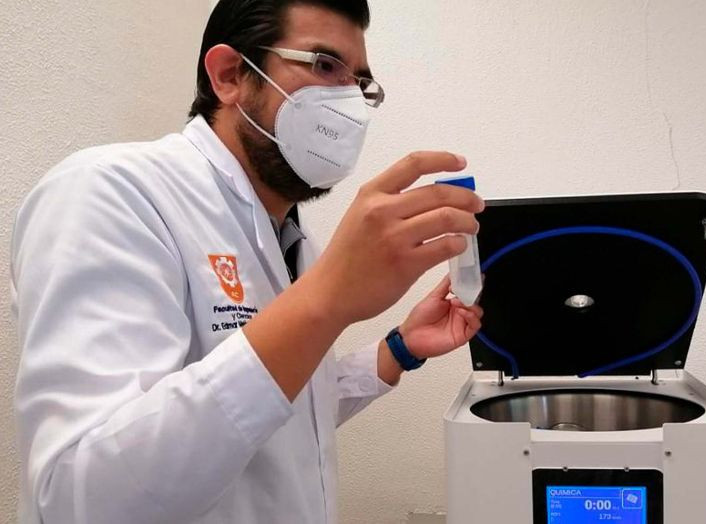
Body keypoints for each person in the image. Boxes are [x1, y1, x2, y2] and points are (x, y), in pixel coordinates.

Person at [10, 1, 485, 523]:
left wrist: (399, 349)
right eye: (325, 65)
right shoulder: (109, 194)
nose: (349, 101)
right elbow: (80, 500)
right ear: (230, 75)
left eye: (361, 84)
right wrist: (324, 301)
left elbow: (288, 411)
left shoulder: (293, 239)